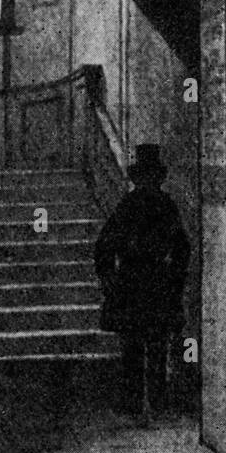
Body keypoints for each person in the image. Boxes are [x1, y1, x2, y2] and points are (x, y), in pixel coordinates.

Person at [94, 144, 190, 422]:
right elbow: (105, 246)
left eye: (150, 177)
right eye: (144, 177)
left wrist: (174, 278)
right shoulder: (136, 205)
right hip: (141, 283)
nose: (147, 182)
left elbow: (182, 246)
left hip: (148, 282)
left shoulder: (155, 205)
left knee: (151, 345)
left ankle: (149, 401)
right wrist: (110, 278)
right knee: (138, 346)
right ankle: (140, 400)